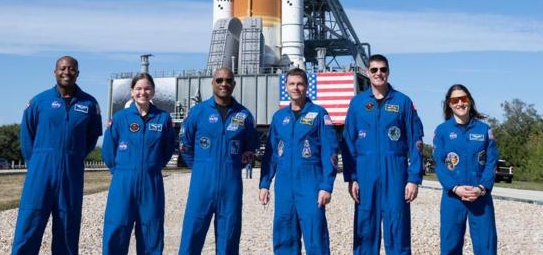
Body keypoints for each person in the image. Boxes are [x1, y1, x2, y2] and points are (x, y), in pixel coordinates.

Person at [11, 55, 103, 255]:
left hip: (71, 174)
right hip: (40, 173)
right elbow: (27, 137)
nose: (66, 72)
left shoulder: (89, 104)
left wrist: (73, 156)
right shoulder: (38, 102)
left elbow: (91, 138)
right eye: (62, 68)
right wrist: (36, 163)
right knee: (29, 224)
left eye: (71, 69)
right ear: (55, 72)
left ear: (77, 73)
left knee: (68, 226)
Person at [341, 54, 424, 255]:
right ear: (368, 73)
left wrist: (413, 178)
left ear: (388, 72)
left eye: (383, 69)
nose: (379, 73)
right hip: (365, 174)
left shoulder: (403, 102)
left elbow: (416, 142)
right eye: (374, 70)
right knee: (365, 226)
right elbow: (348, 141)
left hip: (395, 174)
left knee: (397, 226)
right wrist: (351, 178)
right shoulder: (357, 103)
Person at [178, 66, 259, 255]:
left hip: (230, 186)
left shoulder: (244, 115)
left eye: (228, 80)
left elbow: (250, 148)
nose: (224, 84)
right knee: (192, 235)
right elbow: (185, 145)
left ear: (234, 84)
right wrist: (200, 168)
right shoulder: (197, 112)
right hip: (202, 185)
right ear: (212, 83)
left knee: (229, 238)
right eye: (219, 80)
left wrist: (231, 166)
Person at [258, 67, 339, 254]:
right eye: (292, 84)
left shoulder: (319, 114)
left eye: (300, 84)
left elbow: (330, 152)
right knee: (284, 236)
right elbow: (271, 154)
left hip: (310, 184)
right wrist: (264, 184)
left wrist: (326, 186)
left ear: (307, 86)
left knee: (315, 235)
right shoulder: (279, 117)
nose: (296, 88)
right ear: (286, 87)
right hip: (284, 185)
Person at [102, 73, 177, 255]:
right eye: (138, 89)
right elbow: (108, 150)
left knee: (151, 231)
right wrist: (119, 171)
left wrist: (153, 166)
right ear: (132, 92)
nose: (142, 92)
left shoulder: (163, 119)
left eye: (147, 88)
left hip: (151, 182)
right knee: (117, 228)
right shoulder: (120, 118)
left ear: (153, 92)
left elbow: (167, 149)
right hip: (123, 181)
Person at [433, 84, 499, 255]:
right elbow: (440, 165)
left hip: (480, 196)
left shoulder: (484, 130)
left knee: (486, 246)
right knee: (450, 246)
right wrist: (455, 187)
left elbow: (491, 163)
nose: (460, 103)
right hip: (453, 197)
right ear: (449, 104)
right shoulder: (442, 131)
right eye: (455, 100)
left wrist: (481, 188)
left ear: (470, 101)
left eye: (464, 98)